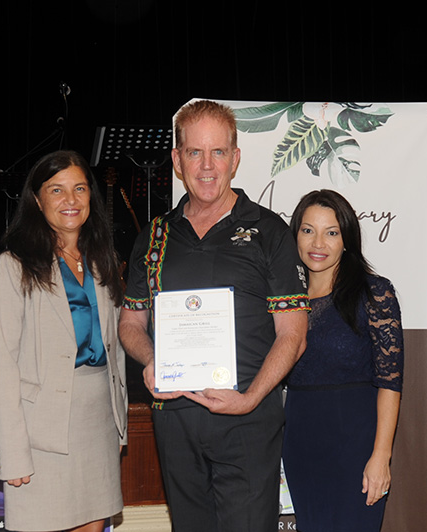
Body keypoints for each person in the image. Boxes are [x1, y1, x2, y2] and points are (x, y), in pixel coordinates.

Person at [118, 99, 310, 532]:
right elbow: (130, 324)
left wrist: (250, 398)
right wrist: (152, 360)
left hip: (247, 421)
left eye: (218, 152)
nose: (207, 166)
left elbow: (293, 335)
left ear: (236, 158)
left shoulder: (269, 232)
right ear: (177, 160)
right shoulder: (155, 235)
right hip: (176, 419)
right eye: (194, 152)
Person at [0, 150, 127, 532]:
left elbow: (115, 349)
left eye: (79, 188)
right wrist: (12, 453)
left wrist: (120, 423)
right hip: (39, 432)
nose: (71, 200)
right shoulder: (14, 266)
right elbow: (1, 365)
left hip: (97, 422)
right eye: (57, 190)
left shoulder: (102, 259)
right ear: (36, 199)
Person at [281, 189, 404, 531]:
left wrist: (381, 456)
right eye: (308, 230)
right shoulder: (284, 303)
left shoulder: (374, 293)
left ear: (347, 239)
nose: (318, 242)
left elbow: (390, 383)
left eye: (331, 232)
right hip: (300, 445)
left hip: (356, 445)